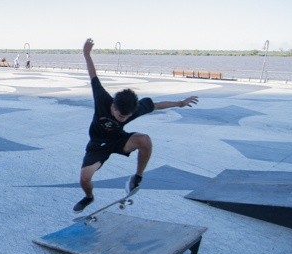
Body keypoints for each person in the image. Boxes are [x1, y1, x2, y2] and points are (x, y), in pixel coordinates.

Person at [72, 38, 199, 213]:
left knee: (144, 140)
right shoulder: (102, 98)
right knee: (85, 179)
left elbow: (157, 105)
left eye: (127, 117)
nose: (122, 119)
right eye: (119, 116)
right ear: (113, 106)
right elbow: (93, 75)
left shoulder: (135, 108)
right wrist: (86, 53)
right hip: (97, 145)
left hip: (119, 140)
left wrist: (180, 103)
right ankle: (89, 197)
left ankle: (137, 177)